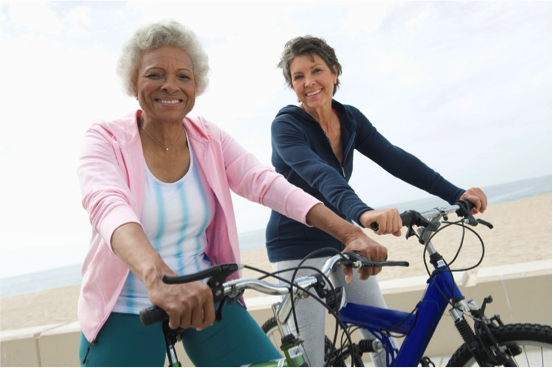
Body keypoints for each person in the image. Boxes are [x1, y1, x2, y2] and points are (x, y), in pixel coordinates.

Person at [76, 21, 388, 368]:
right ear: (134, 81)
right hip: (127, 305)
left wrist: (350, 233)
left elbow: (267, 184)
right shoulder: (104, 139)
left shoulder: (208, 138)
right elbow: (108, 207)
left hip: (207, 297)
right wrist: (159, 279)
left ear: (196, 85)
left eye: (183, 76)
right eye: (155, 74)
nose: (171, 85)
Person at [267, 35, 489, 368]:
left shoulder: (350, 119)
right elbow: (321, 175)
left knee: (386, 337)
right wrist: (364, 213)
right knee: (310, 359)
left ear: (335, 72)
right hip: (298, 247)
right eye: (298, 77)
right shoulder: (286, 127)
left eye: (317, 71)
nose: (309, 82)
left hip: (344, 240)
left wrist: (456, 194)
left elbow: (396, 159)